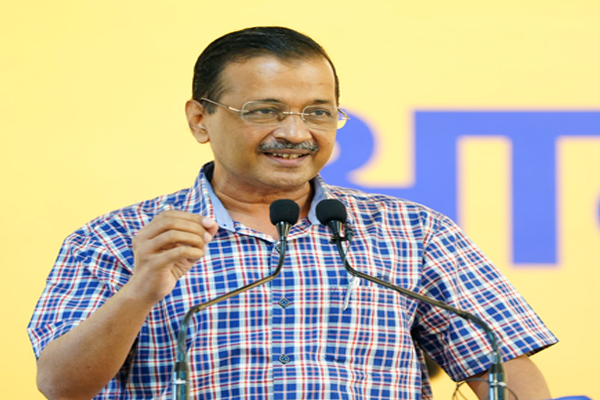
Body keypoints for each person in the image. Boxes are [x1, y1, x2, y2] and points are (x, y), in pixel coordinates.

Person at [28, 26, 557, 400]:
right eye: (265, 111)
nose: (295, 133)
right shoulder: (117, 238)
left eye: (318, 113)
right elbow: (61, 386)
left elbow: (500, 366)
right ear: (199, 119)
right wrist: (140, 291)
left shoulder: (413, 231)